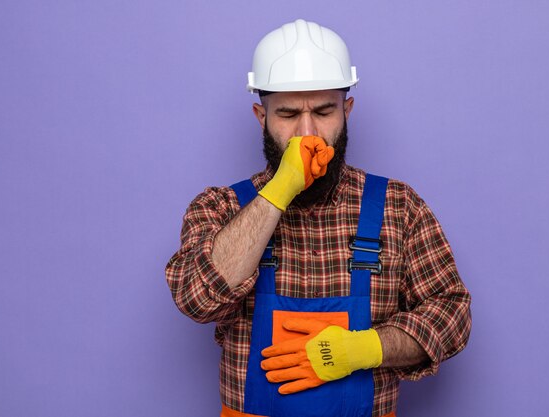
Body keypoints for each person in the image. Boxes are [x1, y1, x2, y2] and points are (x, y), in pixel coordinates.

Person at [166, 19, 471, 417]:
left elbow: (452, 313)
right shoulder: (220, 207)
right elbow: (196, 299)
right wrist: (278, 191)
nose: (307, 133)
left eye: (324, 111)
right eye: (288, 114)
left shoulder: (398, 206)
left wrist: (366, 347)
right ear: (261, 116)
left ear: (347, 110)